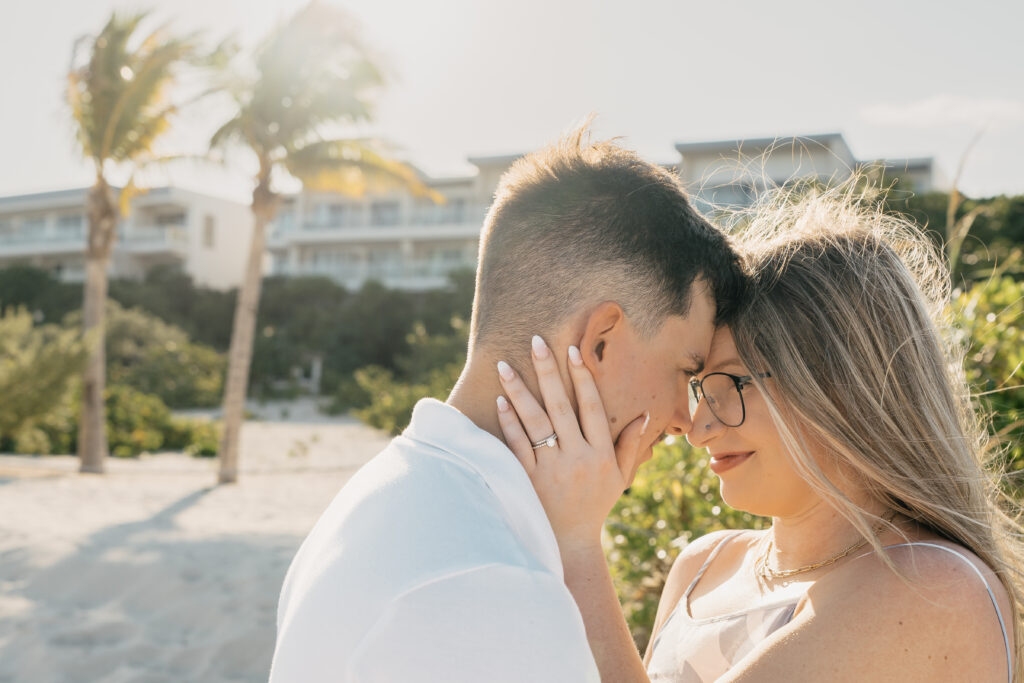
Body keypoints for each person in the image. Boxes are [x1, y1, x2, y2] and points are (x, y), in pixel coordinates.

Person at [268, 124, 747, 682]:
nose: (686, 422)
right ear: (600, 342)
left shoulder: (385, 491)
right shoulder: (489, 585)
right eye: (685, 369)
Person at [494, 184, 1023, 682]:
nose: (698, 429)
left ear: (840, 383)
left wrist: (576, 541)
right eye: (698, 386)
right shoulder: (703, 566)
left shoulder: (932, 586)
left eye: (729, 382)